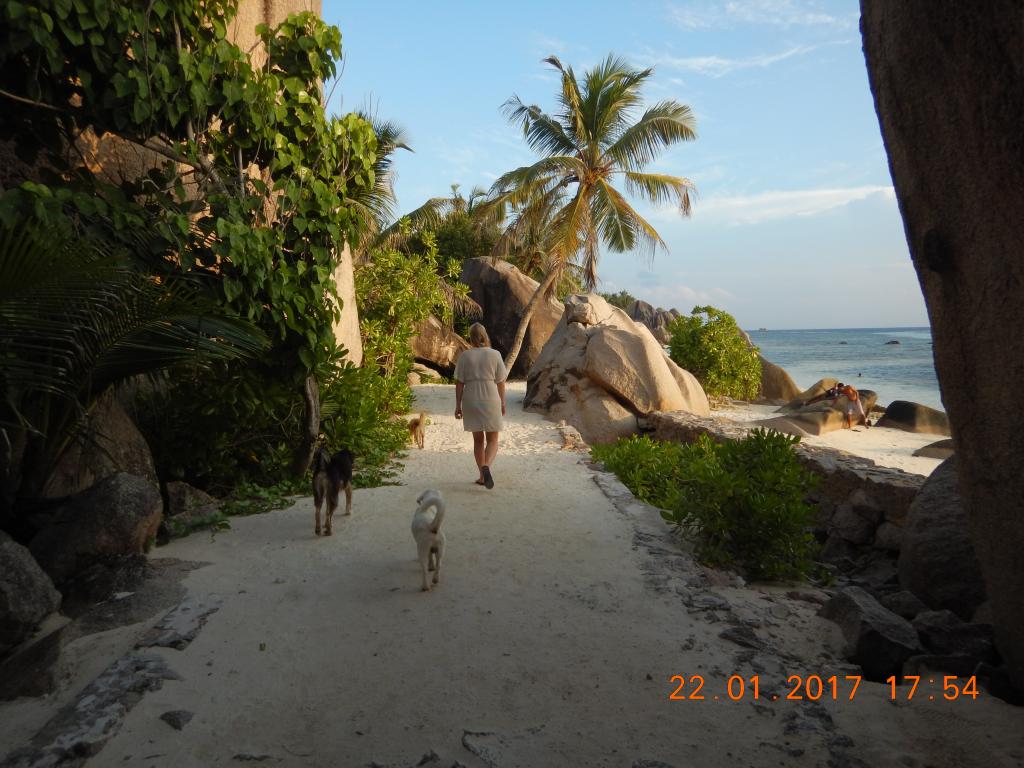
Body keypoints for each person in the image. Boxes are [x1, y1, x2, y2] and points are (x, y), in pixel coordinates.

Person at [454, 323, 507, 489]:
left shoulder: (465, 356)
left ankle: (482, 475)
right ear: (485, 336)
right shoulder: (495, 354)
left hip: (471, 398)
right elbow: (500, 382)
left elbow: (459, 383)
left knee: (478, 441)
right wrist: (503, 402)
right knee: (493, 439)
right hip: (491, 397)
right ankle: (486, 467)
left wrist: (458, 405)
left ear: (471, 337)